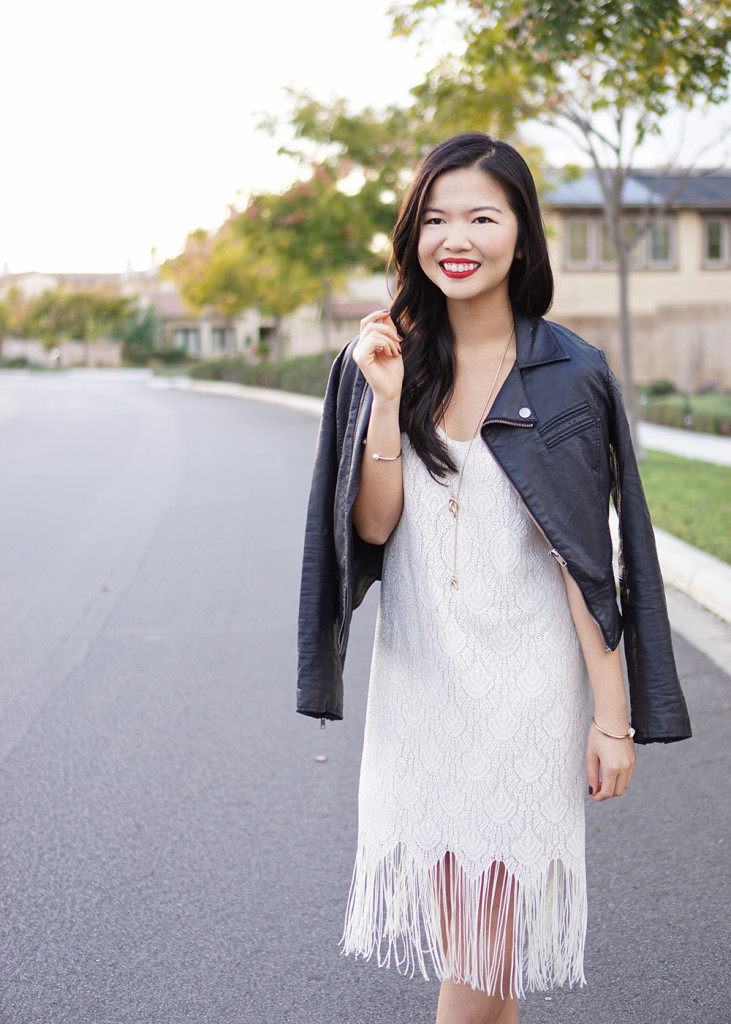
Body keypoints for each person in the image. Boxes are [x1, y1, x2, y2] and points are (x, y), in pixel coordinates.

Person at [297, 132, 691, 1024]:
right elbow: (372, 525)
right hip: (423, 694)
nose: (455, 237)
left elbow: (584, 560)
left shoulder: (567, 373)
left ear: (521, 234)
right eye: (434, 218)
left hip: (524, 701)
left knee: (477, 961)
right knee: (482, 961)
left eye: (481, 214)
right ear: (411, 236)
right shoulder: (381, 361)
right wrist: (388, 404)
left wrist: (611, 720)